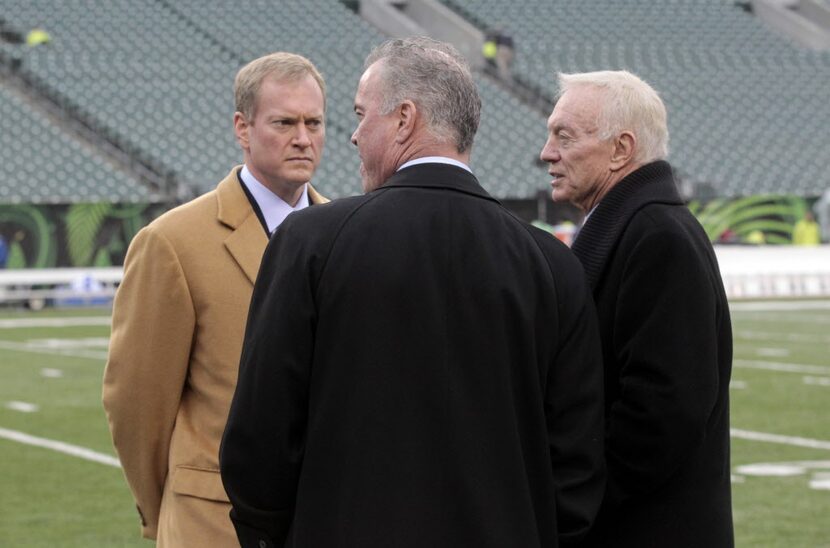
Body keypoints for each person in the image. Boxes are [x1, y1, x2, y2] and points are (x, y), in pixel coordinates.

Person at [220, 36, 605, 548]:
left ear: (404, 119)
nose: (353, 136)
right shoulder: (552, 264)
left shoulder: (311, 241)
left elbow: (258, 444)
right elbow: (576, 465)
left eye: (361, 115)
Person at [102, 52, 328, 547]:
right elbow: (137, 404)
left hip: (325, 518)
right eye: (284, 122)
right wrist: (170, 509)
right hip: (211, 525)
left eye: (314, 122)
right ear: (242, 128)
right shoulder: (172, 242)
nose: (303, 138)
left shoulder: (348, 234)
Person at [540, 70, 734, 547]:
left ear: (622, 149)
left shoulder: (658, 238)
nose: (546, 152)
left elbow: (661, 416)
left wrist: (576, 501)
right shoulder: (640, 226)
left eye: (564, 136)